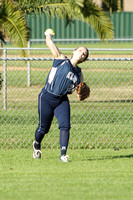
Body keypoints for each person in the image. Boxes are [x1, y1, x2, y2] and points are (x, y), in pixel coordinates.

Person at [33, 29, 89, 162]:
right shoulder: (61, 59)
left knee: (65, 125)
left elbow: (78, 91)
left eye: (85, 54)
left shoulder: (79, 73)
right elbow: (50, 44)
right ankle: (36, 144)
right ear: (74, 51)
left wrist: (81, 93)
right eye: (81, 50)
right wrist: (47, 35)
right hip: (46, 97)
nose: (82, 53)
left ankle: (63, 154)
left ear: (84, 59)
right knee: (43, 128)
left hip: (62, 100)